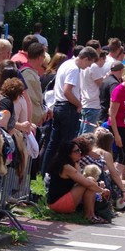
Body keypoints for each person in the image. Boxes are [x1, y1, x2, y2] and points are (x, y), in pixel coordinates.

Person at [39, 47, 96, 177]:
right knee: (67, 145)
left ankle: (45, 172)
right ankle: (60, 173)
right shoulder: (74, 69)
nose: (88, 67)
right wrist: (79, 104)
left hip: (58, 106)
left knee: (53, 143)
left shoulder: (65, 64)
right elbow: (67, 91)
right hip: (68, 108)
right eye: (89, 63)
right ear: (86, 58)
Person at [45, 140, 111, 224]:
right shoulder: (66, 167)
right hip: (58, 204)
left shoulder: (72, 164)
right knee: (89, 182)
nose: (80, 152)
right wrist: (102, 190)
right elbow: (86, 183)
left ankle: (91, 215)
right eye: (76, 151)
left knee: (90, 181)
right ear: (68, 154)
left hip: (58, 201)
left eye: (79, 150)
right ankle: (90, 216)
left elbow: (81, 180)